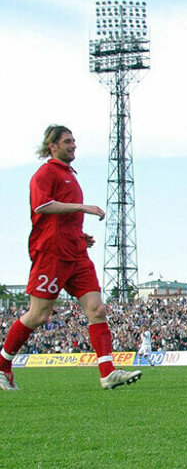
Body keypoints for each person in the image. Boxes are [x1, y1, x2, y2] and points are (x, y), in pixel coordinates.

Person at [0, 125, 141, 391]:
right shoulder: (45, 173)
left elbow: (62, 220)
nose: (73, 145)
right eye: (67, 141)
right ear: (52, 145)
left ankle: (108, 373)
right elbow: (41, 206)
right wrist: (83, 207)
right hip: (51, 254)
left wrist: (79, 235)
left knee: (97, 309)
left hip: (75, 252)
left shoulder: (69, 175)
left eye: (74, 140)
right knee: (38, 315)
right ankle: (2, 365)